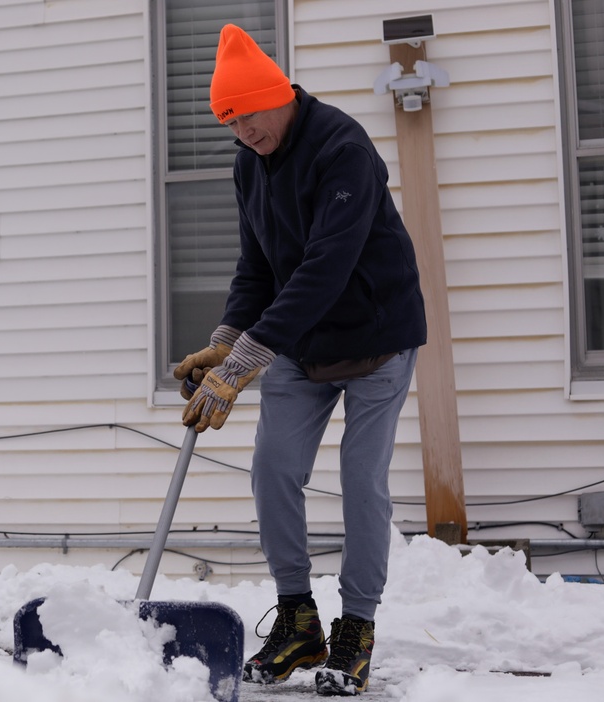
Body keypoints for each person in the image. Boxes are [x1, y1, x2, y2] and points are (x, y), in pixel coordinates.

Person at [174, 24, 427, 697]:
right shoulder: (248, 163)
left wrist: (245, 362)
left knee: (359, 483)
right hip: (303, 344)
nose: (242, 133)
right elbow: (258, 264)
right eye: (230, 123)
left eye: (247, 117)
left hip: (377, 337)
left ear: (277, 96)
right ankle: (298, 620)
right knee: (273, 471)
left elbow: (324, 268)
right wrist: (228, 339)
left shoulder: (343, 148)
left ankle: (357, 631)